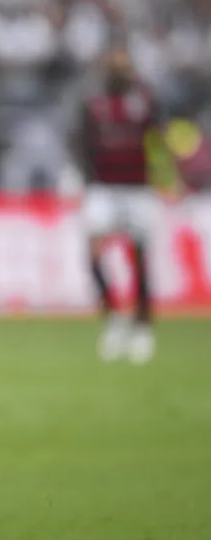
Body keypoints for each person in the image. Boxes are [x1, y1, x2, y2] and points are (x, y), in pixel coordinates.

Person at [77, 48, 162, 364]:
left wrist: (166, 177)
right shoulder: (94, 105)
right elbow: (82, 142)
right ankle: (114, 316)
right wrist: (80, 177)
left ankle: (142, 326)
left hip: (138, 188)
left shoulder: (144, 103)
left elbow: (158, 140)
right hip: (104, 187)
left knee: (140, 258)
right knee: (95, 253)